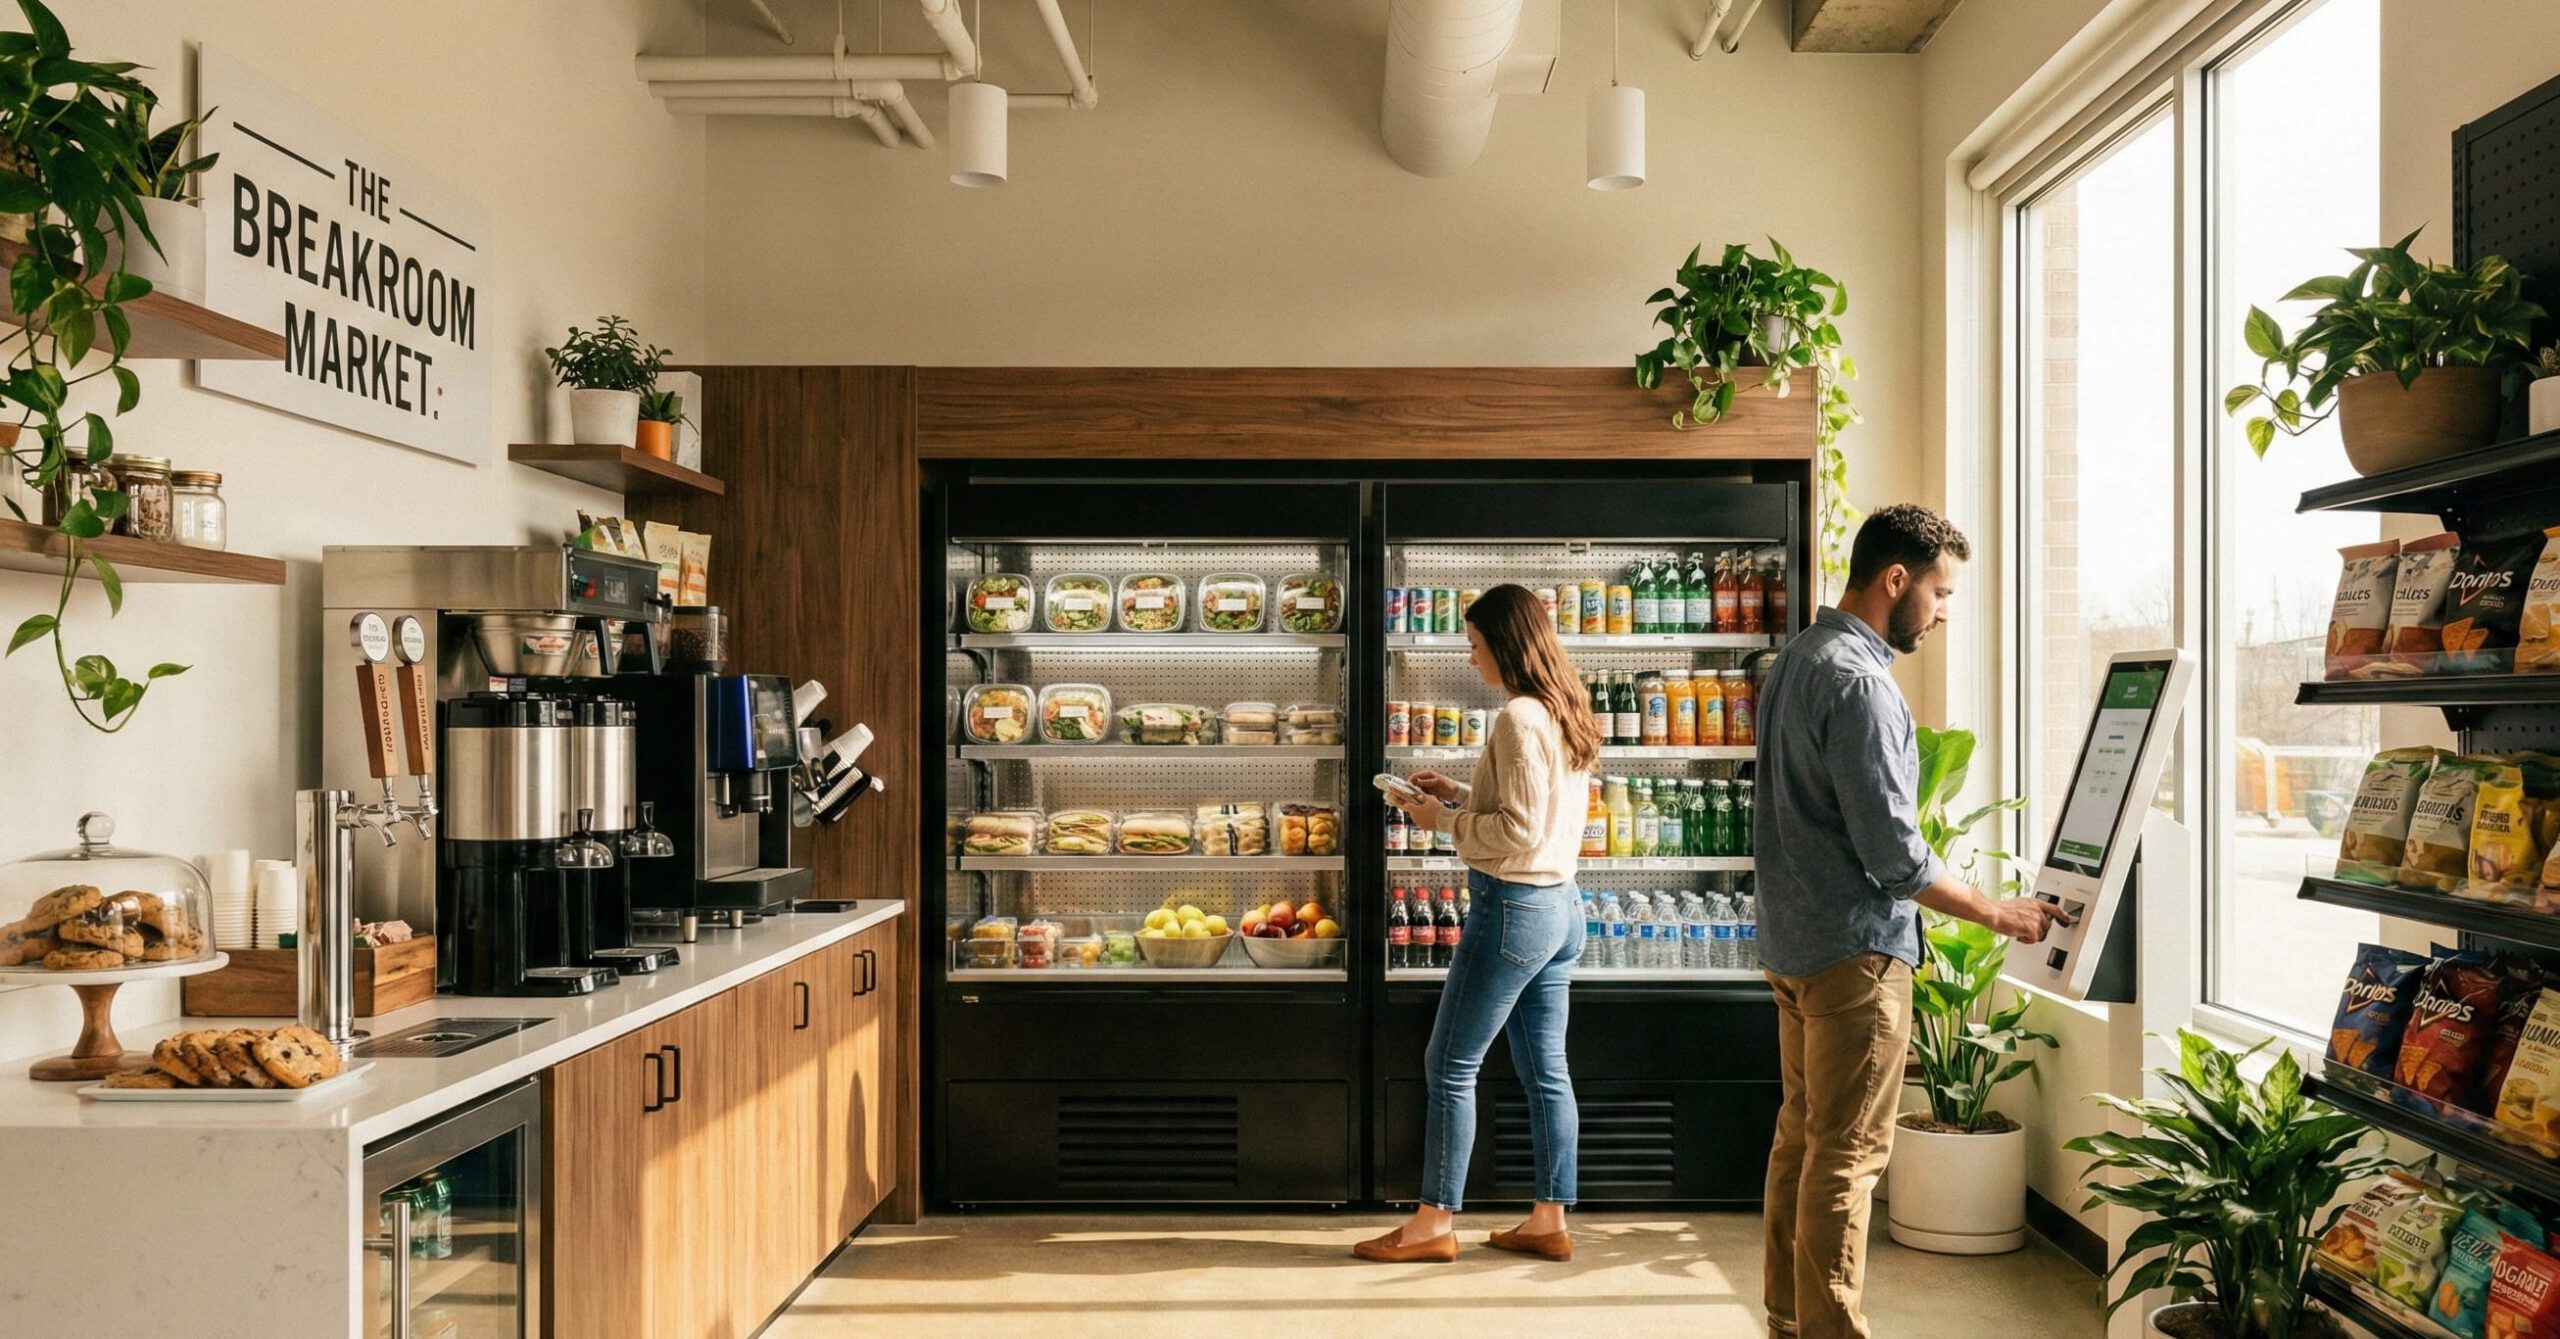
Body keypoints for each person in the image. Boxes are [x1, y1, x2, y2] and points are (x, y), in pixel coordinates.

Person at [1754, 504, 2065, 1338]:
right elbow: (1896, 854)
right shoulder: (1861, 683)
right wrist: (1995, 909)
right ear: (1896, 578)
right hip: (1854, 954)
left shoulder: (1794, 660)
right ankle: (1831, 1328)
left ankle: (1788, 1317)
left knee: (1801, 1141)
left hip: (1792, 946)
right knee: (1847, 1156)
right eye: (1940, 590)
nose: (1941, 611)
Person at [1359, 583, 1602, 1264]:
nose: (1470, 657)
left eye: (1474, 643)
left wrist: (1441, 822)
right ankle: (1549, 1217)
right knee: (1545, 1068)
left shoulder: (1519, 717)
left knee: (1450, 1064)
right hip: (1560, 906)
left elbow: (1518, 831)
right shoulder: (1564, 707)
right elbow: (1539, 811)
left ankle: (1432, 1224)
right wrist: (1460, 793)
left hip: (1514, 908)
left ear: (1504, 641)